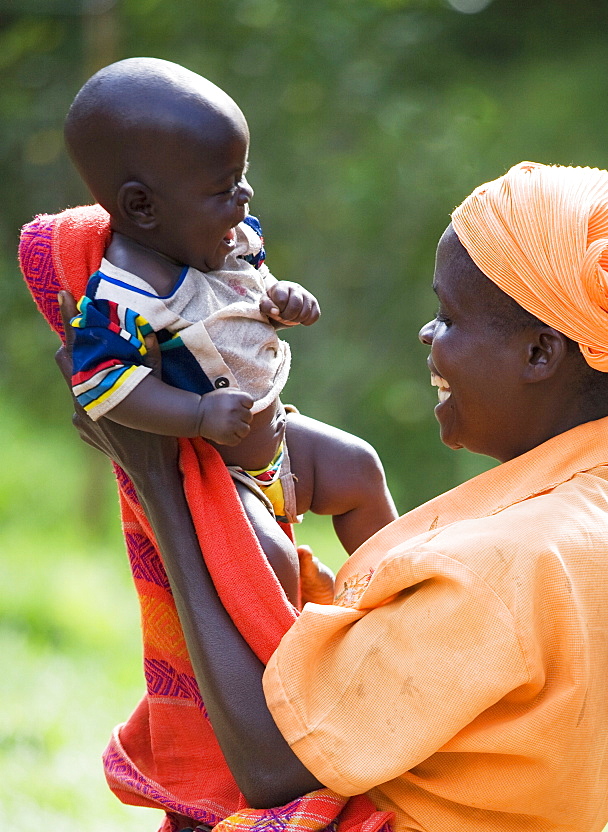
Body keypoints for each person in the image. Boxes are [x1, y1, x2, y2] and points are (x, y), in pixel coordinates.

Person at [58, 161, 608, 832]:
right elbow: (448, 678)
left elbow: (276, 764)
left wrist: (166, 484)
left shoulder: (508, 565)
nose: (429, 337)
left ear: (541, 352)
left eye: (450, 317)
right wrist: (358, 497)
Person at [62, 57, 397, 602]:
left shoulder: (223, 237)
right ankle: (310, 650)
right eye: (224, 188)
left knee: (359, 467)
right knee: (271, 564)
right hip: (224, 481)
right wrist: (195, 414)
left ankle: (399, 602)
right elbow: (99, 386)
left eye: (242, 177)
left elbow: (251, 289)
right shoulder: (125, 298)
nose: (244, 197)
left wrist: (283, 299)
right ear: (142, 206)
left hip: (280, 442)